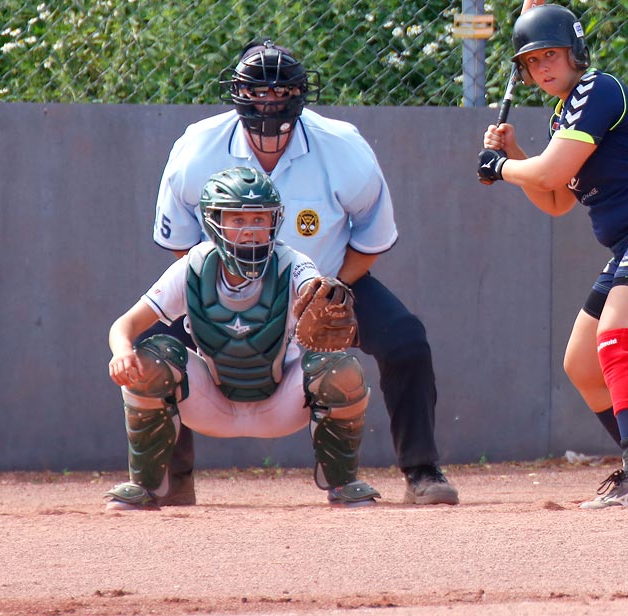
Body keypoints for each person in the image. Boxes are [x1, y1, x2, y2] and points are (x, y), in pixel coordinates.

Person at [150, 38, 458, 505]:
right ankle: (173, 481)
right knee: (154, 347)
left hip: (327, 281)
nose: (269, 103)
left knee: (407, 341)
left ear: (300, 96)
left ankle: (422, 472)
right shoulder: (197, 149)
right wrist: (215, 296)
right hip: (224, 284)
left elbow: (370, 238)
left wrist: (330, 290)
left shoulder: (342, 147)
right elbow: (180, 246)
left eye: (280, 94)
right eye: (257, 93)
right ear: (238, 96)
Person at [477, 4, 628, 508]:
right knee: (584, 364)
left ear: (575, 54)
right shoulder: (564, 114)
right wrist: (518, 156)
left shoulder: (597, 90)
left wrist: (501, 167)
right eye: (532, 61)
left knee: (619, 342)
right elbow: (558, 198)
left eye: (552, 55)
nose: (543, 68)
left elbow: (546, 177)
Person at [107, 166, 381, 509]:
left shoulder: (291, 262)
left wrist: (321, 295)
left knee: (342, 368)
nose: (251, 231)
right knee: (152, 357)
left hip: (282, 400)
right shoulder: (192, 267)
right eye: (238, 221)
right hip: (212, 403)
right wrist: (122, 352)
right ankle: (145, 486)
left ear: (274, 222)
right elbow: (125, 324)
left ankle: (343, 483)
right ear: (214, 223)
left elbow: (312, 284)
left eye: (260, 220)